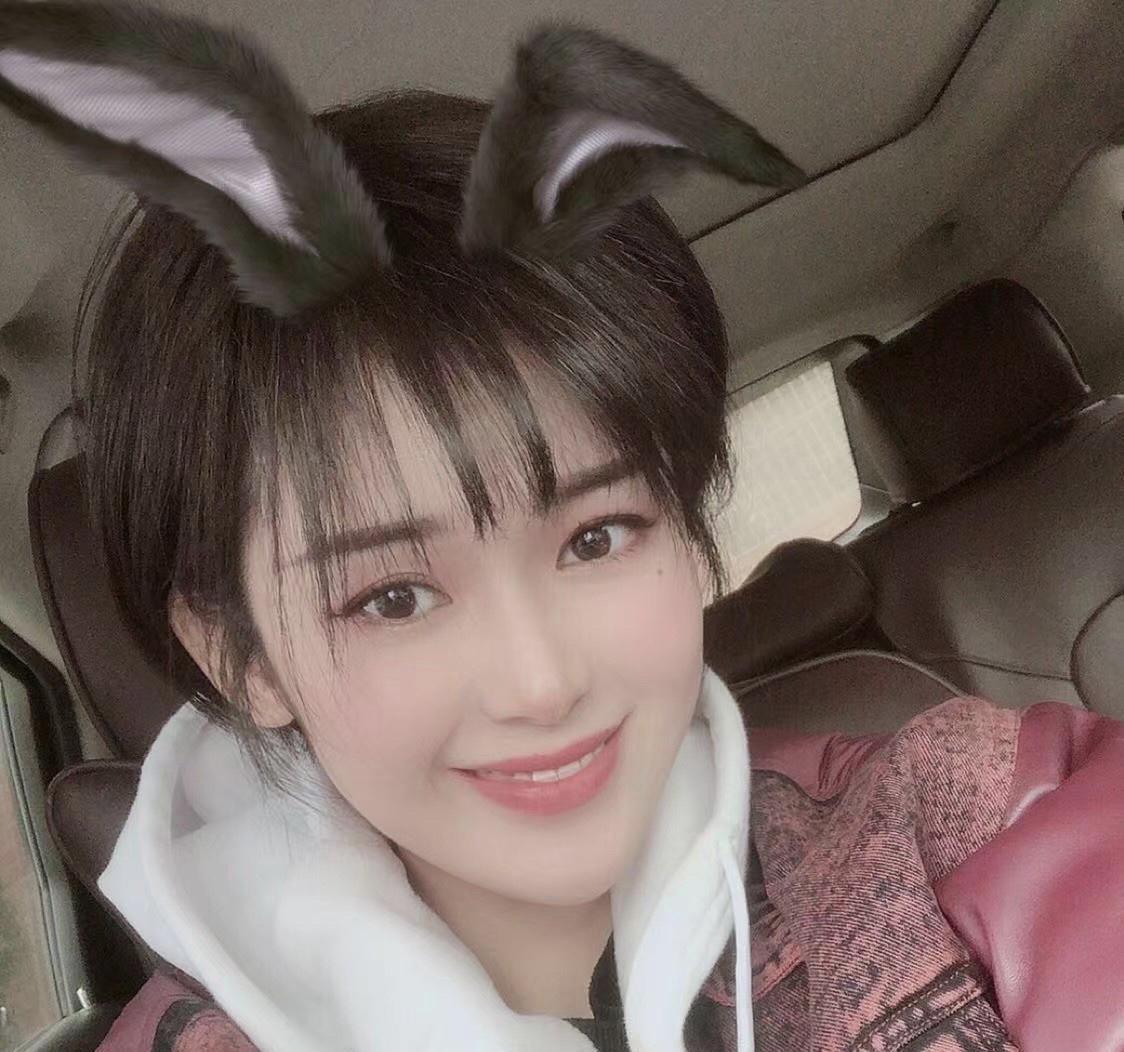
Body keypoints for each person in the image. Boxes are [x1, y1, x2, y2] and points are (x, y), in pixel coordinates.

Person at [2, 5, 1122, 1051]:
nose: (540, 683)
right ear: (240, 659)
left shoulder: (946, 814)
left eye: (597, 536)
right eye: (393, 596)